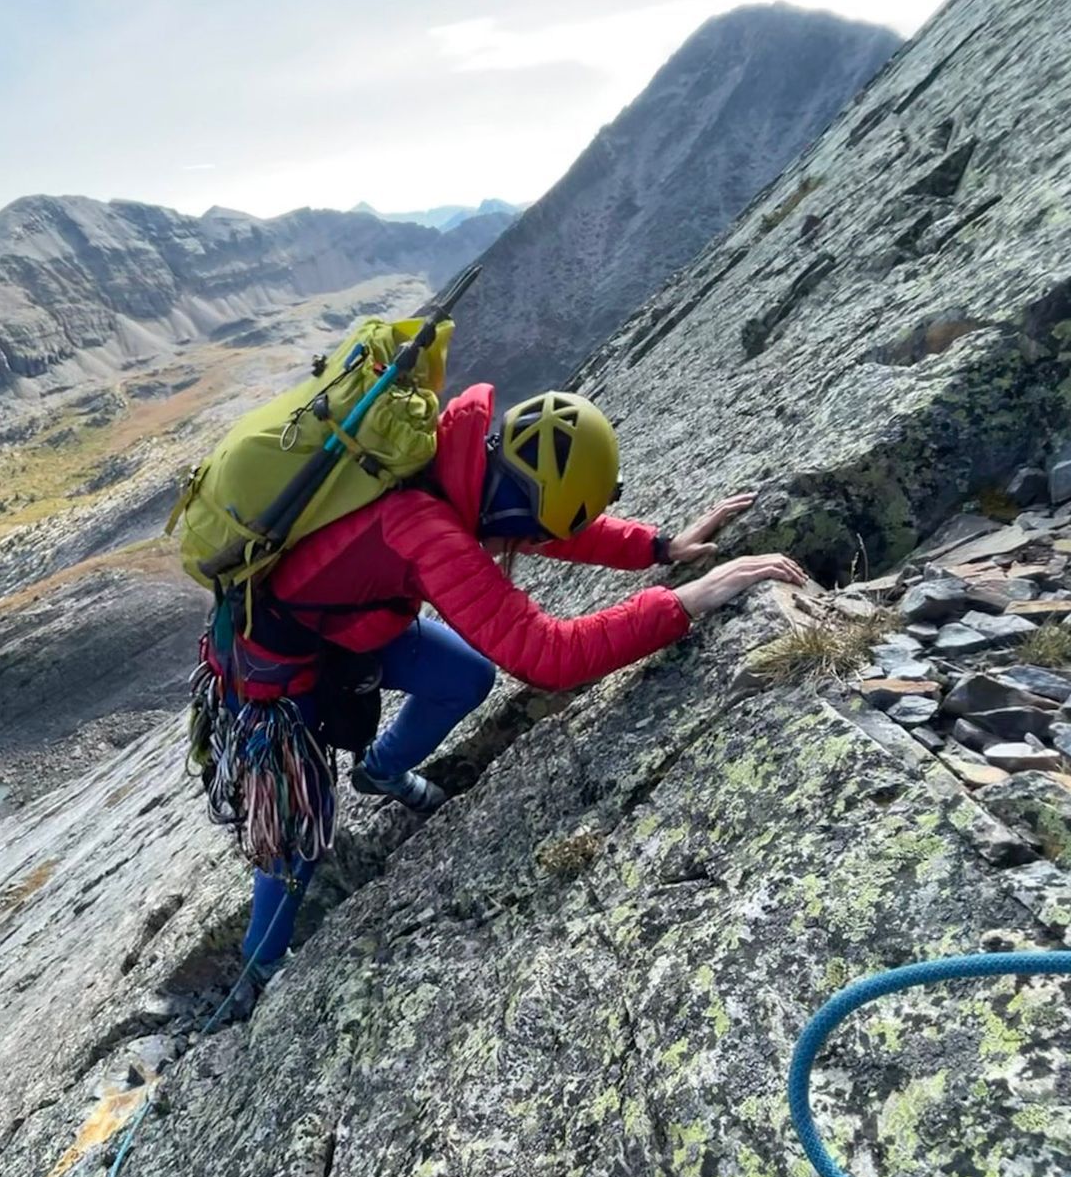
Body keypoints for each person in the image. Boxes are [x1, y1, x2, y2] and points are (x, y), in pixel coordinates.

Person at [231, 382, 807, 994]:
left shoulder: (470, 466)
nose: (528, 543)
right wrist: (683, 602)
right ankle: (261, 961)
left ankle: (381, 770)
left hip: (353, 625)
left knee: (465, 676)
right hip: (277, 667)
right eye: (529, 526)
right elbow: (548, 657)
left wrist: (658, 547)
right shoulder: (425, 526)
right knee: (299, 821)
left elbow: (546, 525)